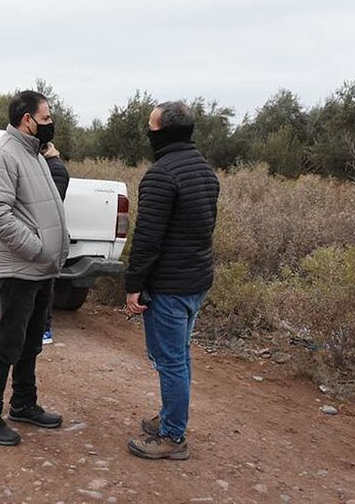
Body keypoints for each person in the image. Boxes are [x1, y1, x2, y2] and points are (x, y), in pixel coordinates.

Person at [123, 100, 220, 460]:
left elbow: (147, 239)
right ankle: (171, 418)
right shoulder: (204, 170)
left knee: (169, 360)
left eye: (151, 127)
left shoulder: (161, 175)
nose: (148, 133)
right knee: (180, 355)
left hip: (170, 286)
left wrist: (134, 286)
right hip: (196, 281)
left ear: (164, 132)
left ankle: (173, 436)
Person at [0, 90, 70, 446]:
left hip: (41, 269)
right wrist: (36, 248)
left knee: (31, 343)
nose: (50, 124)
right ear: (27, 120)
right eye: (46, 119)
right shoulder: (1, 154)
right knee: (8, 344)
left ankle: (23, 403)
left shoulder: (34, 154)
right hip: (19, 268)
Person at [41, 142, 70, 345]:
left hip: (46, 233)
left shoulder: (55, 169)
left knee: (44, 282)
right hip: (41, 231)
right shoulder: (48, 165)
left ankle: (44, 328)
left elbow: (52, 203)